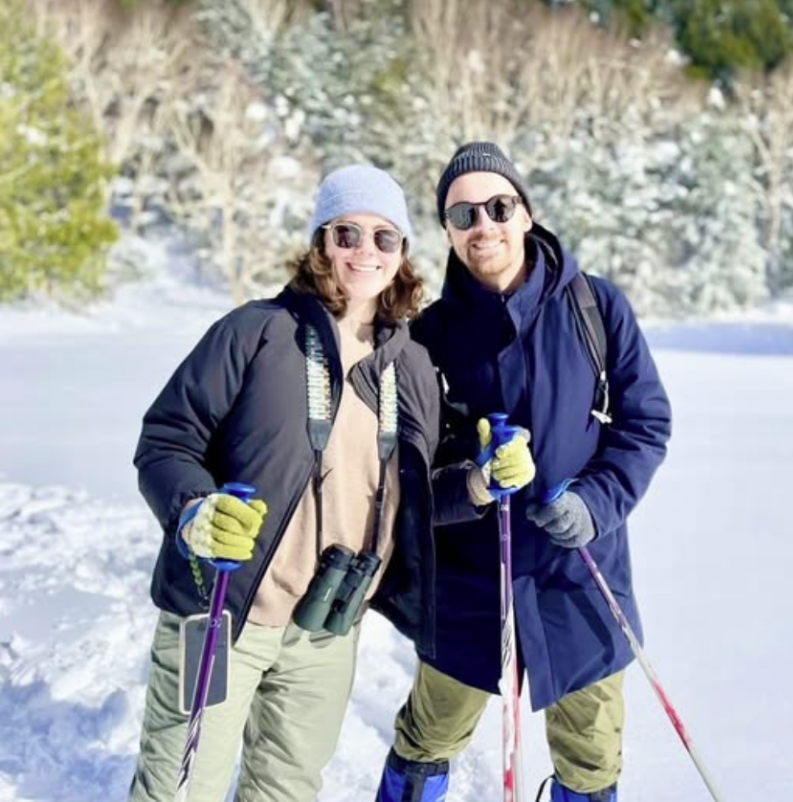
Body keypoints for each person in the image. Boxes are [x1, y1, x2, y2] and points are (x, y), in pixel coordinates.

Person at [128, 165, 442, 802]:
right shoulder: (256, 330)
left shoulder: (410, 365)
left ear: (402, 253)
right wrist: (194, 511)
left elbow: (426, 487)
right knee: (180, 788)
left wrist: (485, 483)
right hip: (222, 610)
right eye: (347, 232)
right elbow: (166, 440)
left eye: (385, 237)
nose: (366, 250)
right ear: (321, 240)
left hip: (328, 629)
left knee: (287, 791)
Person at [373, 142, 672, 802]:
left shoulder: (594, 307)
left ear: (526, 214)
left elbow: (645, 423)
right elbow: (405, 477)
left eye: (499, 207)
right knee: (428, 738)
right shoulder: (429, 338)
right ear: (448, 232)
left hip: (580, 576)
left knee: (591, 760)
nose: (484, 225)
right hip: (470, 584)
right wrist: (472, 482)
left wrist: (595, 503)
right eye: (463, 214)